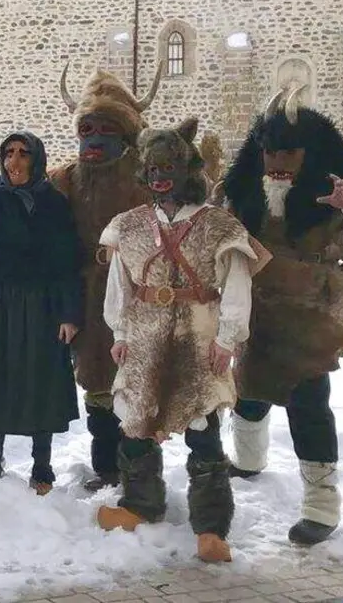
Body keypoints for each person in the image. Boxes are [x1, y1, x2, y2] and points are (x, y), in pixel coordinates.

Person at [220, 86, 343, 545]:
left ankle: (321, 505)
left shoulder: (335, 198)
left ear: (309, 155)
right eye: (269, 150)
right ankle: (249, 460)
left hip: (311, 313)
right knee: (248, 389)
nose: (276, 160)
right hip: (256, 309)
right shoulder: (243, 197)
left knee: (309, 403)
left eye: (288, 151)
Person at [95, 118, 266, 564]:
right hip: (146, 334)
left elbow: (236, 284)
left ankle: (211, 528)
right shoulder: (129, 225)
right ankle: (140, 504)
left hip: (199, 334)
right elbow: (121, 285)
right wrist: (119, 332)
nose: (160, 177)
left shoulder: (218, 225)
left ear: (188, 170)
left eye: (168, 167)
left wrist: (228, 338)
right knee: (135, 423)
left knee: (203, 430)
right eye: (152, 170)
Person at [49, 66, 162, 491]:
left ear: (127, 137)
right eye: (87, 128)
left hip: (141, 296)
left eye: (107, 129)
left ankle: (141, 472)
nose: (94, 139)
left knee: (140, 383)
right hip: (88, 297)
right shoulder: (63, 181)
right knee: (97, 382)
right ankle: (107, 468)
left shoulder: (147, 182)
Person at [0, 132, 80, 494]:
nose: (14, 162)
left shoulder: (54, 203)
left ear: (36, 160)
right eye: (9, 154)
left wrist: (69, 313)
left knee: (37, 378)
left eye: (23, 154)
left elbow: (66, 263)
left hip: (40, 306)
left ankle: (42, 467)